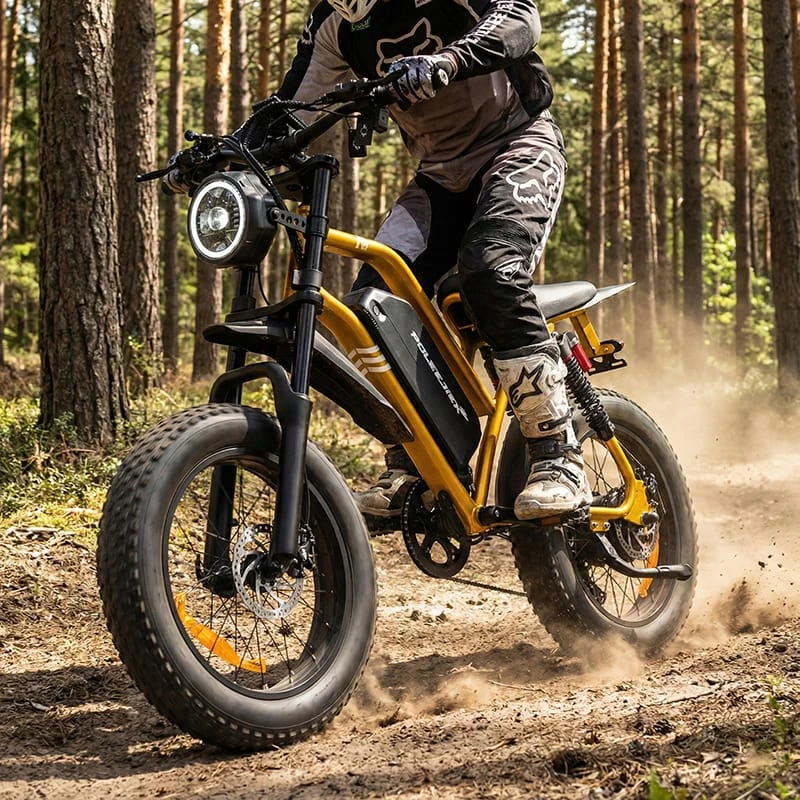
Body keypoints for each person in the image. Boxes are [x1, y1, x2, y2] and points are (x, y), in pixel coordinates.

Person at [200, 0, 591, 526]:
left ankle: (558, 455)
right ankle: (415, 458)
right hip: (440, 175)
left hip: (519, 143)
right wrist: (222, 155)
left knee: (490, 272)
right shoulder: (332, 23)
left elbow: (520, 18)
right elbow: (294, 108)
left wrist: (446, 62)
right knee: (372, 305)